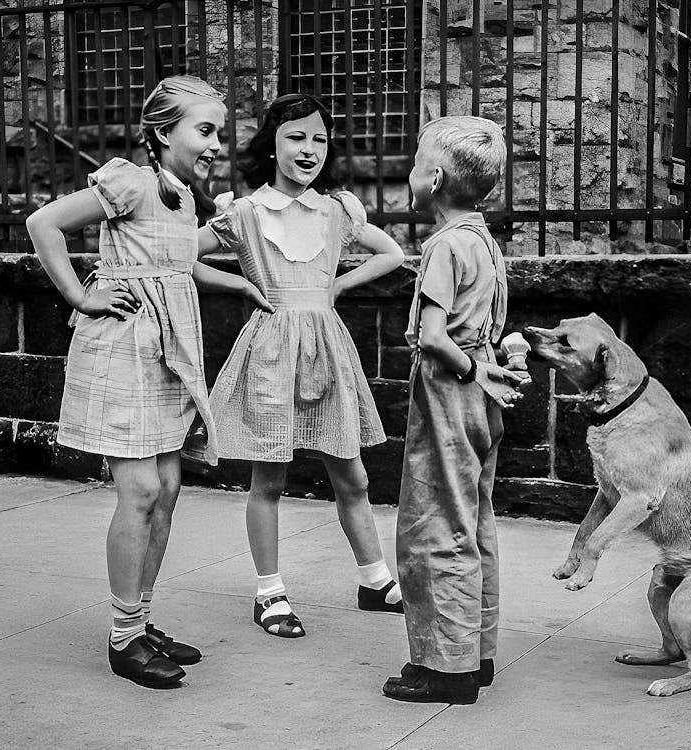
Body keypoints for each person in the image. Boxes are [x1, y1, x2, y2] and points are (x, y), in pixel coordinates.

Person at [25, 75, 271, 688]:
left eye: (220, 132)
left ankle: (139, 618)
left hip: (168, 354)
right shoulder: (129, 181)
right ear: (163, 133)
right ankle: (123, 638)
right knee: (137, 490)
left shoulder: (183, 198)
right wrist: (81, 296)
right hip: (123, 349)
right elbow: (44, 225)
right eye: (205, 130)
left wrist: (238, 283)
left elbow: (180, 265)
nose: (217, 144)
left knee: (166, 485)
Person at [192, 93, 405, 639]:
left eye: (318, 139)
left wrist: (337, 284)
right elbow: (178, 257)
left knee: (351, 472)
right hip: (270, 352)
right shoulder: (243, 212)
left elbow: (392, 254)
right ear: (270, 146)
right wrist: (239, 282)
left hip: (327, 352)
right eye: (295, 137)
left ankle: (375, 580)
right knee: (270, 476)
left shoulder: (337, 211)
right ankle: (270, 593)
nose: (308, 149)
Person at [382, 116, 527, 705]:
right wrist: (485, 369)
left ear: (434, 178)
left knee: (434, 523)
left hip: (451, 383)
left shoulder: (444, 246)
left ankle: (446, 668)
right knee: (473, 519)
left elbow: (435, 337)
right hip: (482, 391)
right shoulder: (484, 241)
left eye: (416, 162)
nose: (410, 172)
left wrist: (467, 368)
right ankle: (476, 652)